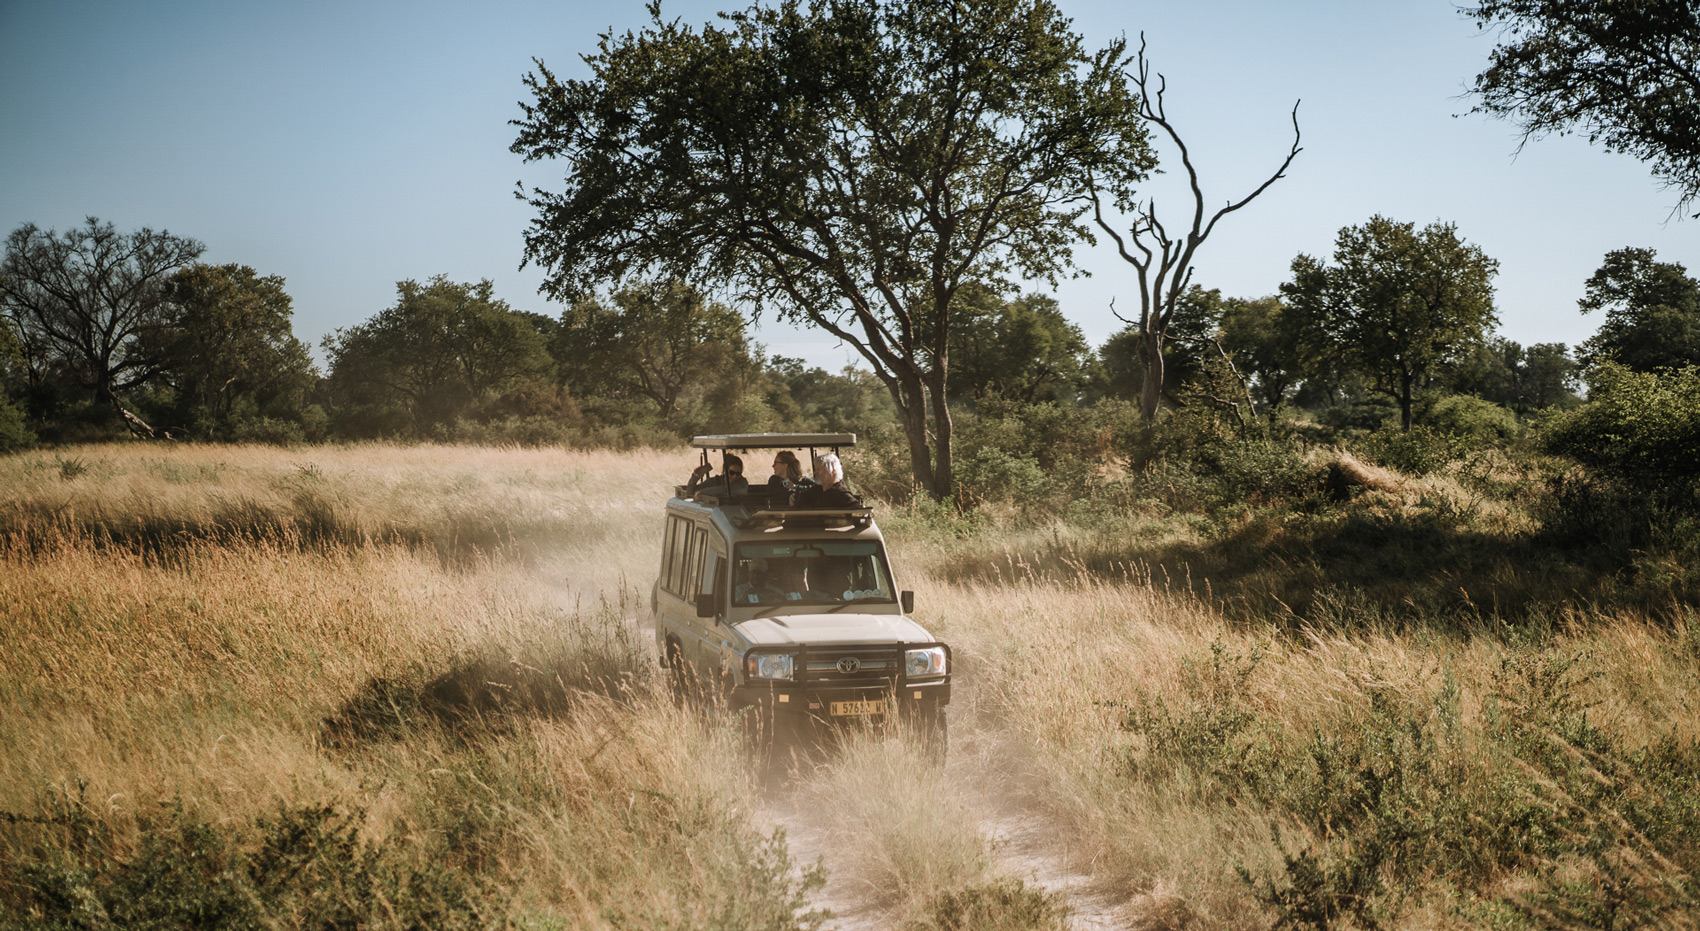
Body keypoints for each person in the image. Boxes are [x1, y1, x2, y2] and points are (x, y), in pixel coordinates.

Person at [793, 452, 858, 507]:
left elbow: (857, 512)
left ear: (832, 471)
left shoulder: (841, 495)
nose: (815, 472)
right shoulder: (814, 491)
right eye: (815, 469)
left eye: (818, 469)